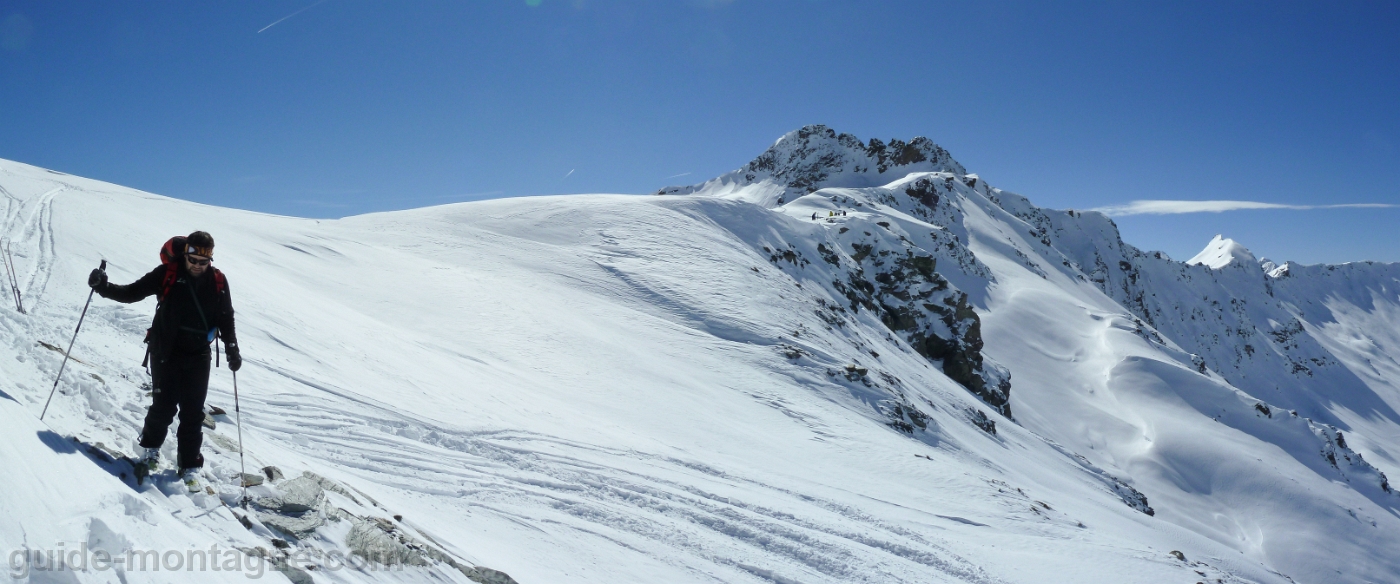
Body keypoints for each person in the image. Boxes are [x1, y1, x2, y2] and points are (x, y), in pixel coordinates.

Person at [88, 231, 241, 491]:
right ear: (186, 254)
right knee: (164, 406)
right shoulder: (167, 273)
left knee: (193, 413)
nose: (197, 266)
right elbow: (131, 293)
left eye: (203, 262)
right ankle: (150, 452)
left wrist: (232, 347)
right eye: (193, 260)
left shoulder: (218, 280)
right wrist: (102, 287)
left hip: (199, 354)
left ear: (210, 260)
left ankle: (190, 465)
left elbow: (225, 315)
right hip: (165, 350)